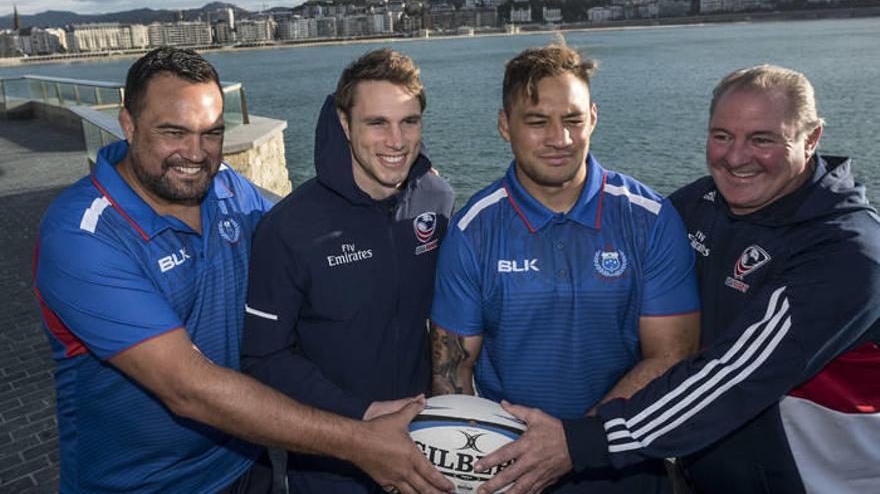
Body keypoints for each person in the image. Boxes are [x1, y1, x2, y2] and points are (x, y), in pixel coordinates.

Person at [33, 46, 453, 494]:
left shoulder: (226, 189)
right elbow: (187, 388)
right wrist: (360, 439)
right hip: (141, 485)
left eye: (211, 133)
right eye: (173, 132)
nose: (195, 153)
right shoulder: (83, 235)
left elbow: (312, 229)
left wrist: (401, 208)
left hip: (247, 465)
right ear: (128, 124)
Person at [474, 64, 880, 494]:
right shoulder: (697, 206)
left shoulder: (847, 254)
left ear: (811, 138)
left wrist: (581, 441)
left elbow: (734, 374)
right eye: (722, 136)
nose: (736, 157)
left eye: (762, 139)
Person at [429, 42, 701, 493]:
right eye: (537, 122)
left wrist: (573, 444)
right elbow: (451, 371)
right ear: (504, 126)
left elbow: (672, 355)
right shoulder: (473, 230)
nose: (560, 139)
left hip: (626, 467)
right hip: (511, 472)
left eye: (573, 120)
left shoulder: (650, 218)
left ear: (593, 117)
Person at [240, 48, 454, 493]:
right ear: (344, 123)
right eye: (376, 122)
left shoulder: (437, 199)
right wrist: (362, 413)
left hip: (421, 447)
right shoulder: (288, 228)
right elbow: (262, 358)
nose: (396, 141)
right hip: (328, 464)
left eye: (409, 122)